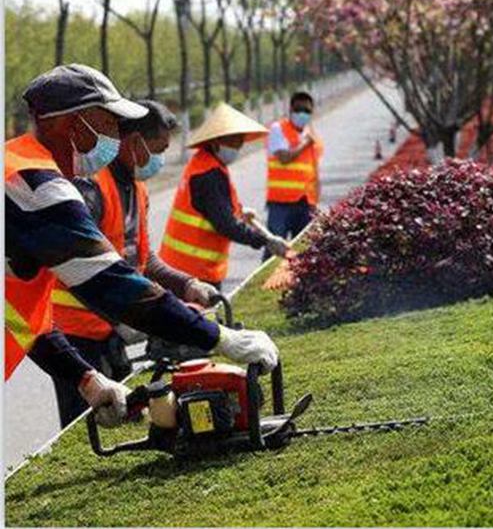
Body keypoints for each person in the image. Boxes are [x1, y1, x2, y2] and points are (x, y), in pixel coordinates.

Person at [6, 64, 279, 428]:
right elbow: (110, 282)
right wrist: (220, 337)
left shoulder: (26, 170)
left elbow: (19, 318)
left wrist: (86, 380)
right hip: (87, 326)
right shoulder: (34, 182)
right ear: (75, 122)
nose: (114, 137)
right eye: (107, 124)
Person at [48, 100, 220, 427]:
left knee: (129, 413)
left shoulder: (137, 190)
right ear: (134, 141)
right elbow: (76, 266)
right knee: (82, 427)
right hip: (75, 332)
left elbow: (143, 258)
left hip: (111, 326)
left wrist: (187, 285)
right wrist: (131, 318)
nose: (160, 159)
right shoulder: (91, 189)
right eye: (159, 148)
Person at [159, 102, 290, 289]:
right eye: (233, 140)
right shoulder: (209, 174)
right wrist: (265, 240)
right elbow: (225, 224)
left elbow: (211, 206)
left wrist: (239, 210)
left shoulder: (204, 163)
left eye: (240, 140)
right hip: (192, 272)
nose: (238, 146)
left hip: (184, 268)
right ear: (216, 141)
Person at [265, 91, 323, 256]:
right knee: (275, 252)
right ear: (290, 109)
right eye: (298, 109)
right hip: (280, 203)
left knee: (303, 253)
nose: (302, 114)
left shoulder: (311, 136)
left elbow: (315, 172)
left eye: (307, 111)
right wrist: (305, 144)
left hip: (304, 203)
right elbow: (283, 158)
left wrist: (315, 203)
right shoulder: (278, 129)